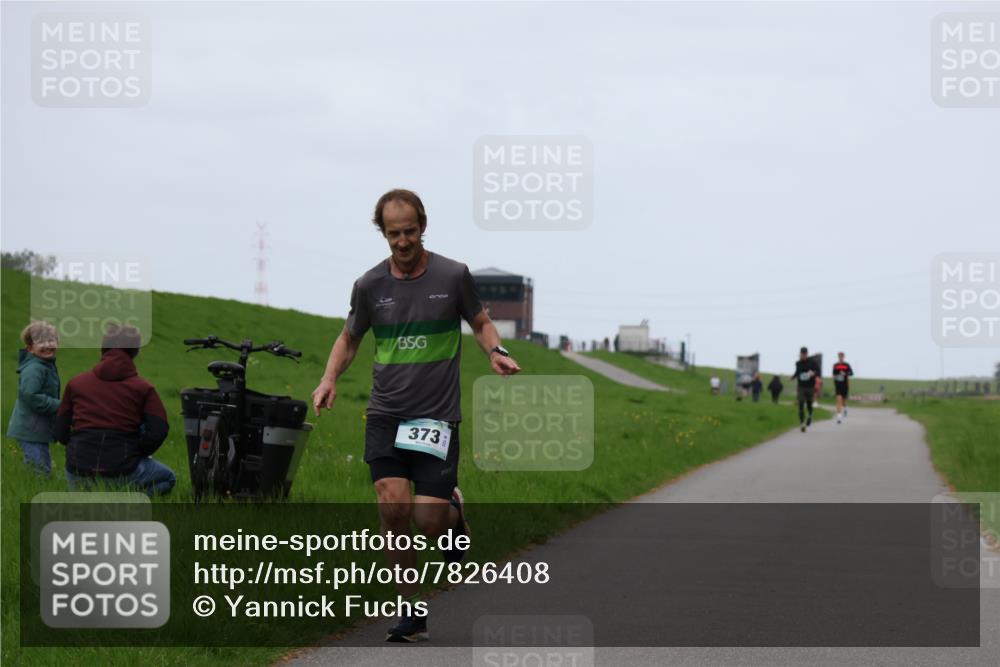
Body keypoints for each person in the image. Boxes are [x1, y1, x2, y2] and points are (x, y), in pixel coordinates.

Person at [311, 189, 521, 643]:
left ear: (422, 226)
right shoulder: (369, 286)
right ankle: (411, 612)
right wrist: (328, 380)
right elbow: (349, 339)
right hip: (386, 411)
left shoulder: (453, 275)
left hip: (436, 417)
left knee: (427, 521)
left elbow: (481, 322)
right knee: (392, 508)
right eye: (393, 234)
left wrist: (495, 351)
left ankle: (452, 511)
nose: (402, 241)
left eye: (409, 231)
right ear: (383, 233)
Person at [52, 325, 175, 496]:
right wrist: (138, 452)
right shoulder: (144, 388)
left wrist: (77, 445)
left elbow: (59, 431)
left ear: (103, 347)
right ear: (135, 351)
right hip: (122, 470)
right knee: (168, 478)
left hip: (77, 471)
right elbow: (159, 429)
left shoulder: (76, 383)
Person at [7, 321, 61, 475]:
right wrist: (58, 405)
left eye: (51, 340)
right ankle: (35, 489)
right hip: (30, 428)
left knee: (41, 464)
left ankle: (36, 482)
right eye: (41, 341)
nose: (47, 345)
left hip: (36, 427)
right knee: (40, 469)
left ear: (57, 342)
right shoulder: (35, 368)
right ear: (30, 348)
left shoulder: (45, 365)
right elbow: (31, 396)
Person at [790, 346, 820, 432]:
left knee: (809, 404)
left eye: (804, 354)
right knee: (801, 404)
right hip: (801, 387)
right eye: (801, 354)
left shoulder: (812, 363)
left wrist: (813, 373)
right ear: (800, 354)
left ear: (807, 354)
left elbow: (818, 371)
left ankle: (810, 416)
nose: (802, 356)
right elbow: (797, 372)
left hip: (810, 386)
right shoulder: (798, 363)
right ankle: (802, 424)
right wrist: (792, 377)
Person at [832, 352, 854, 424]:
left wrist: (845, 373)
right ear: (838, 357)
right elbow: (833, 374)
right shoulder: (835, 365)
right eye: (839, 356)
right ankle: (839, 417)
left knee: (843, 401)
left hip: (845, 384)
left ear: (844, 357)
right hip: (838, 385)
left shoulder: (846, 365)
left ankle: (845, 408)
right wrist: (834, 377)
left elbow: (851, 373)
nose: (841, 357)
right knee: (839, 400)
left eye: (842, 356)